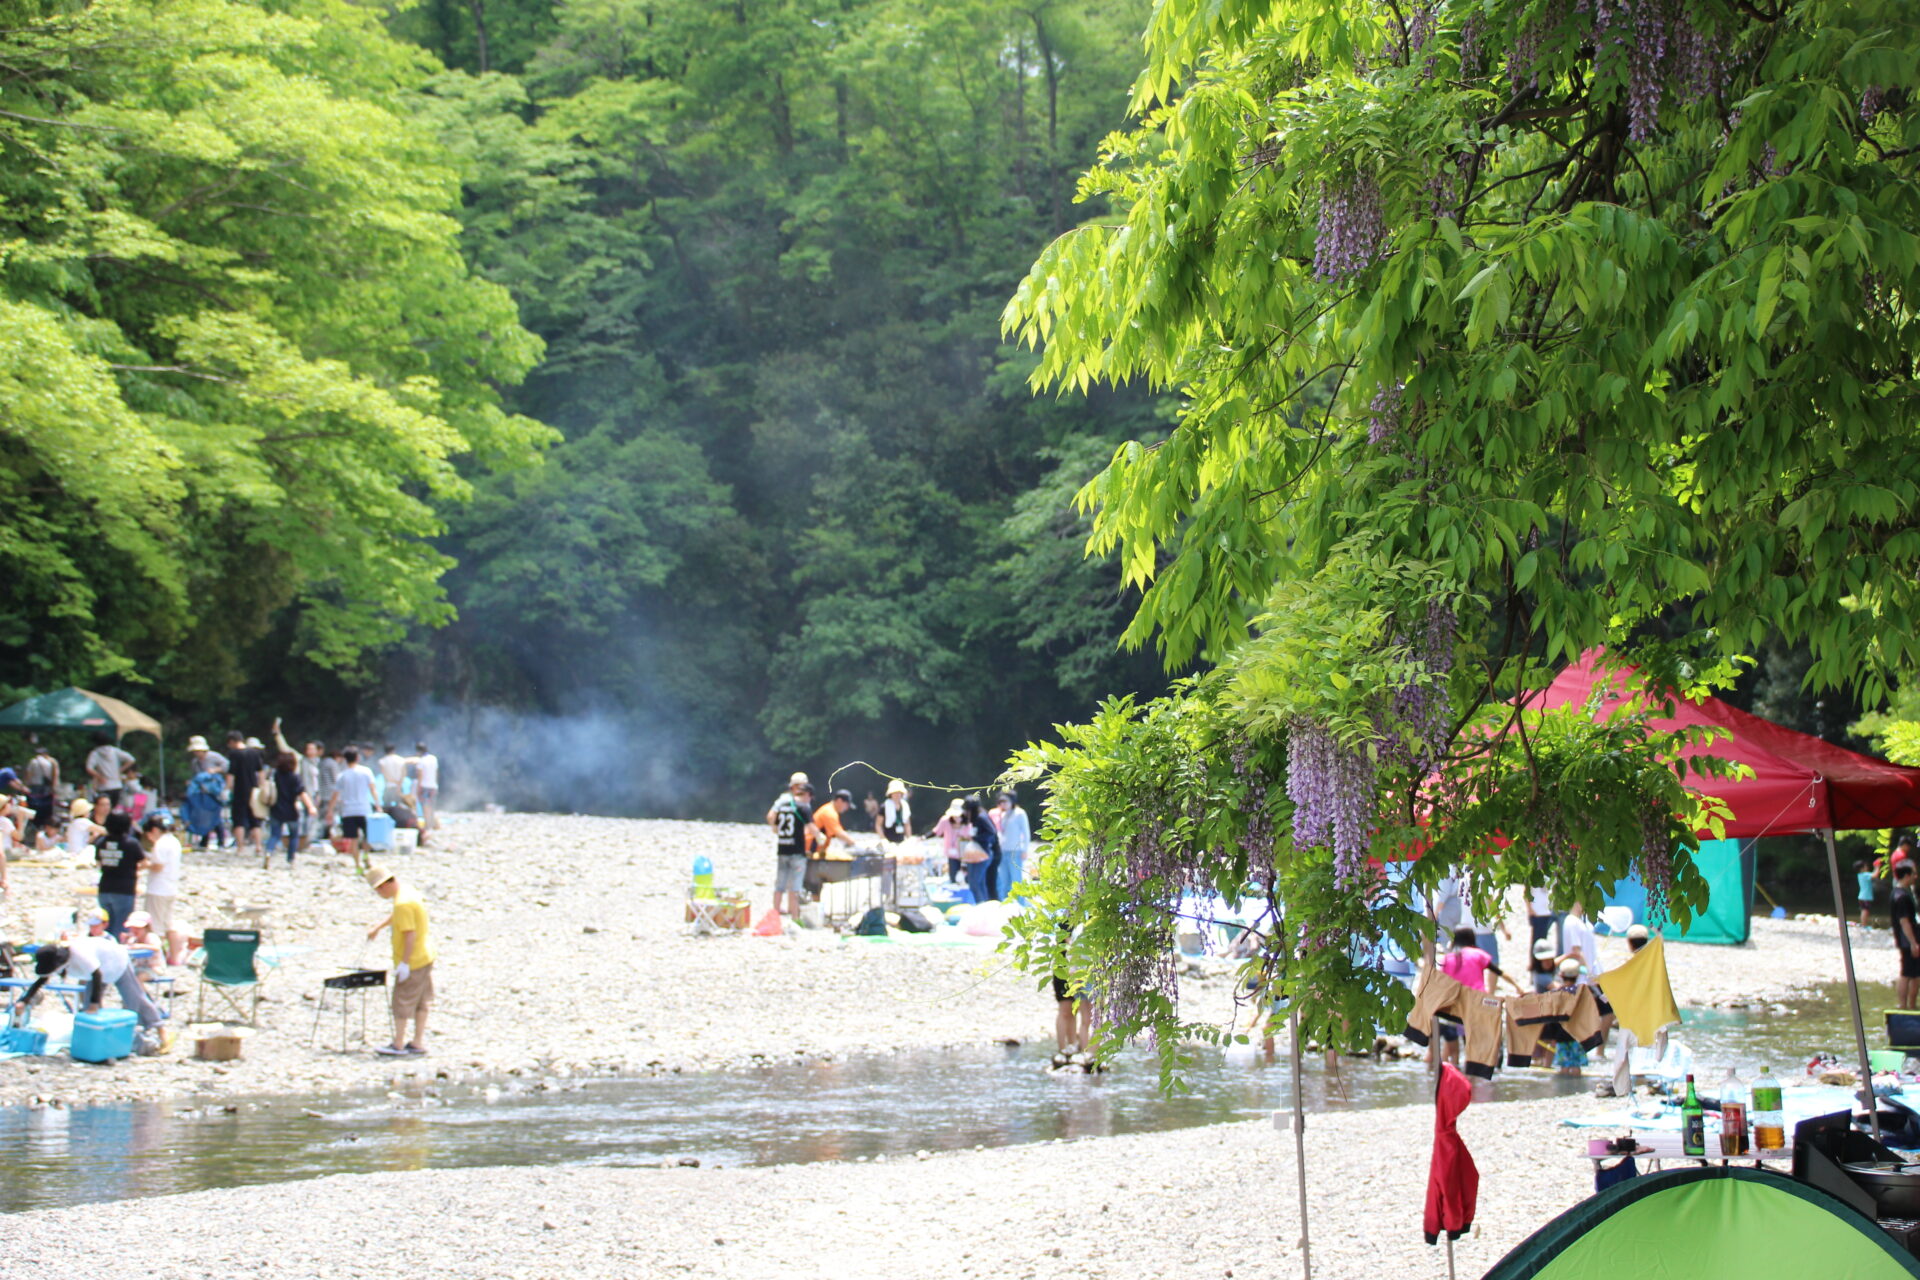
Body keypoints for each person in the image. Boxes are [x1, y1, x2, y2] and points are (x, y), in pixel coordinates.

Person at [35, 933, 169, 1043]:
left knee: (134, 997)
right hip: (99, 968)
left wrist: (95, 1003)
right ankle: (98, 1037)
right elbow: (42, 978)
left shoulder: (79, 954)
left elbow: (97, 974)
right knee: (87, 1006)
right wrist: (25, 1000)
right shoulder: (57, 960)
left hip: (117, 961)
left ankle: (160, 1029)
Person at [1432, 925, 1523, 1068]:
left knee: (1466, 1040)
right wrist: (1518, 988)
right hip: (1478, 1003)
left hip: (1457, 1006)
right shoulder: (1477, 954)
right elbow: (1498, 972)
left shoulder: (1447, 959)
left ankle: (1464, 1074)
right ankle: (1487, 1067)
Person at [365, 864, 433, 1056]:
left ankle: (398, 1044)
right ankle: (418, 1041)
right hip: (425, 955)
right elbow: (399, 917)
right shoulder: (407, 892)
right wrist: (378, 927)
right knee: (422, 1000)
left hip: (412, 960)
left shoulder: (401, 903)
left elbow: (409, 934)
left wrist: (404, 963)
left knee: (402, 1001)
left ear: (383, 887)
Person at [766, 778, 816, 922]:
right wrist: (820, 837)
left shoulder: (782, 804)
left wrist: (778, 832)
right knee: (795, 887)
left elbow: (773, 823)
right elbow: (811, 827)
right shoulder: (803, 807)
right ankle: (795, 918)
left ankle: (774, 916)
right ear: (807, 794)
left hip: (782, 849)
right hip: (797, 852)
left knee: (779, 884)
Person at [137, 814, 185, 965]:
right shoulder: (174, 841)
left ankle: (157, 960)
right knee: (169, 923)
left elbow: (158, 866)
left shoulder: (160, 844)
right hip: (171, 887)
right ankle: (174, 957)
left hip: (158, 889)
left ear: (155, 830)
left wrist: (145, 865)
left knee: (155, 927)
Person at [93, 810, 144, 942]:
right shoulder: (131, 843)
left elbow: (98, 862)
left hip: (105, 887)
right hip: (124, 889)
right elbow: (143, 862)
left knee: (105, 926)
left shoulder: (101, 842)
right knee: (121, 928)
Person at [263, 750, 314, 866]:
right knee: (294, 835)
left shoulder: (274, 775)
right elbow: (302, 793)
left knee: (275, 834)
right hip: (291, 810)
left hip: (275, 809)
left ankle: (269, 852)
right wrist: (310, 807)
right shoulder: (294, 777)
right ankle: (291, 859)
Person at [329, 747, 378, 867]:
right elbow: (373, 789)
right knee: (368, 836)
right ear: (358, 757)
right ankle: (366, 856)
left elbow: (335, 795)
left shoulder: (342, 775)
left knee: (353, 840)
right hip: (364, 809)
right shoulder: (366, 771)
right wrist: (378, 804)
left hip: (348, 811)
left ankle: (357, 865)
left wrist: (330, 810)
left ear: (345, 759)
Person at [224, 730, 266, 858]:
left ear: (232, 742)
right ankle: (258, 847)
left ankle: (240, 847)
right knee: (255, 819)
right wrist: (262, 787)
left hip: (239, 791)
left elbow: (231, 773)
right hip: (254, 791)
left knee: (238, 820)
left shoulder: (234, 754)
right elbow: (261, 772)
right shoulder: (254, 752)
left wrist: (227, 788)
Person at [960, 796, 1002, 904]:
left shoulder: (981, 817)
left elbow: (991, 832)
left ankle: (980, 905)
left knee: (974, 884)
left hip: (983, 853)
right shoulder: (979, 816)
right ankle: (985, 905)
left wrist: (975, 838)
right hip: (980, 852)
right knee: (981, 883)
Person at [994, 791, 1031, 900]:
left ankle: (1020, 906)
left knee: (1016, 881)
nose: (1002, 804)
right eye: (1000, 801)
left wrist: (1025, 849)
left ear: (1012, 801)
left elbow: (1026, 832)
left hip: (1015, 851)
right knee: (1004, 881)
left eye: (1005, 801)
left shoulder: (1020, 813)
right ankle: (1005, 905)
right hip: (1004, 850)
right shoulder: (1004, 814)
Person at [85, 731, 136, 810]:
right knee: (113, 808)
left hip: (103, 786)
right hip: (116, 785)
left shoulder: (95, 753)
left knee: (103, 809)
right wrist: (120, 770)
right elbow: (131, 759)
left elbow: (89, 768)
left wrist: (99, 776)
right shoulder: (114, 751)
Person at [1894, 862, 1920, 1010]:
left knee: (1915, 974)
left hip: (1908, 940)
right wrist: (1913, 943)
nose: (1915, 877)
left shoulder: (1903, 893)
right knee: (1906, 974)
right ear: (1906, 875)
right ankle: (1904, 1007)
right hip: (1907, 941)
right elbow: (1904, 922)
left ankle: (1911, 1006)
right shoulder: (1901, 896)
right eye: (1913, 874)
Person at [23, 741, 58, 837]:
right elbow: (55, 775)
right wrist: (53, 788)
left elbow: (29, 774)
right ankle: (43, 824)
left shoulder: (33, 761)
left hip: (35, 787)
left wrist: (26, 784)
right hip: (47, 788)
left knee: (35, 806)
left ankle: (35, 824)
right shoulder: (52, 762)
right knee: (45, 807)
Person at [930, 798, 966, 883]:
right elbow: (936, 832)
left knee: (966, 880)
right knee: (953, 878)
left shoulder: (968, 822)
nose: (957, 818)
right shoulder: (945, 821)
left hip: (966, 855)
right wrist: (923, 837)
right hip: (952, 855)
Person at [813, 789, 858, 855]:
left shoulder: (829, 809)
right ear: (839, 801)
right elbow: (839, 833)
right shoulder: (829, 812)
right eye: (847, 805)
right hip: (810, 848)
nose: (847, 808)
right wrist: (856, 845)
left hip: (816, 849)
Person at [413, 741, 439, 841]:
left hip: (424, 786)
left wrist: (418, 789)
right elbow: (436, 772)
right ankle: (432, 824)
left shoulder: (421, 761)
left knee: (425, 806)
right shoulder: (433, 758)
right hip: (433, 785)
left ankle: (428, 826)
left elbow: (420, 776)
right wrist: (436, 784)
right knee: (431, 806)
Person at [878, 779, 912, 844]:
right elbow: (878, 825)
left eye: (899, 792)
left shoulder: (905, 806)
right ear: (891, 794)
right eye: (895, 792)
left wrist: (909, 839)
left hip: (901, 839)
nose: (897, 795)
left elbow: (907, 825)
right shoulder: (884, 806)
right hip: (888, 839)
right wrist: (883, 839)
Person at [1861, 858, 1880, 929]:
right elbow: (1875, 875)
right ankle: (1864, 925)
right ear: (1861, 868)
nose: (1867, 867)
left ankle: (1864, 924)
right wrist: (1877, 866)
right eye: (1865, 866)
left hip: (1863, 896)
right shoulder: (1864, 875)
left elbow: (1873, 874)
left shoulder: (1862, 875)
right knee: (1865, 911)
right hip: (1865, 896)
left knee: (1865, 910)